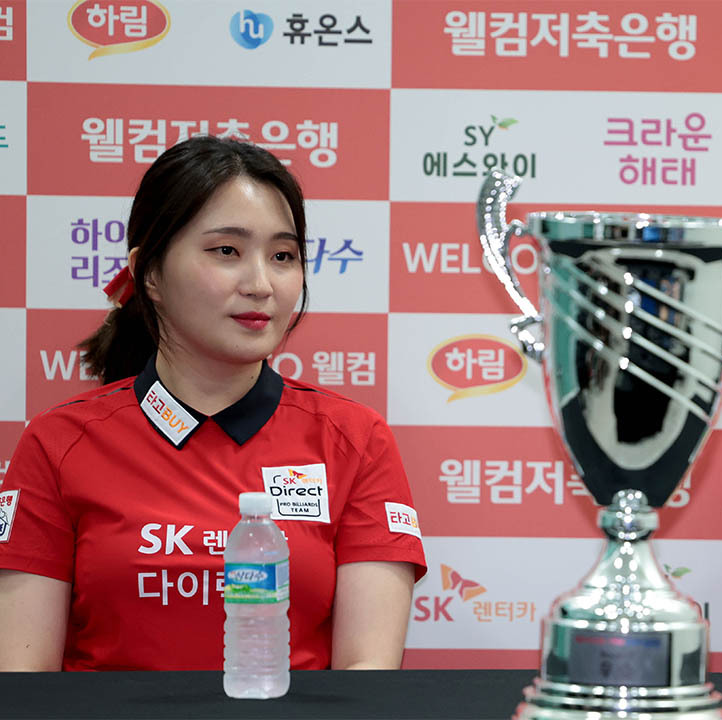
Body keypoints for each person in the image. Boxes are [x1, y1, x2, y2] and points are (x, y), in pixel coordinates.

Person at [0, 136, 427, 671]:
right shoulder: (58, 443)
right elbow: (22, 682)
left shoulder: (353, 439)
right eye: (226, 251)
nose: (261, 284)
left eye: (283, 256)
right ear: (149, 273)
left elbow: (367, 675)